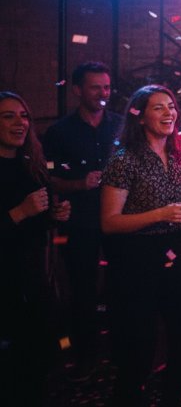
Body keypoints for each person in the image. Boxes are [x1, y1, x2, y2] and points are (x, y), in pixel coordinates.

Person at [100, 85, 181, 407]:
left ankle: (172, 396)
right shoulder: (124, 160)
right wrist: (159, 214)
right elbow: (109, 222)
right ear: (139, 116)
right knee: (141, 340)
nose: (169, 113)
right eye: (158, 108)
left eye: (171, 107)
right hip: (136, 255)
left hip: (176, 249)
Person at [43, 61, 122, 379]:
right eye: (95, 87)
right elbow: (47, 179)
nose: (103, 93)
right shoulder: (60, 132)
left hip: (118, 219)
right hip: (81, 220)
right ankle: (85, 356)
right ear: (77, 90)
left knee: (121, 286)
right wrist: (80, 183)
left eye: (106, 87)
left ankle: (120, 352)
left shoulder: (120, 126)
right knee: (83, 289)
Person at [1, 91, 71, 407]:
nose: (20, 123)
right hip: (5, 283)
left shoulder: (32, 165)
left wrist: (52, 216)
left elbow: (37, 226)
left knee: (38, 358)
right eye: (8, 116)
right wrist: (20, 212)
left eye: (24, 116)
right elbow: (20, 218)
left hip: (33, 278)